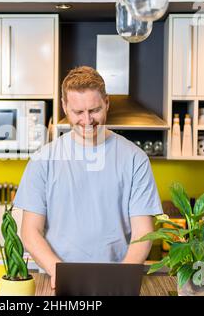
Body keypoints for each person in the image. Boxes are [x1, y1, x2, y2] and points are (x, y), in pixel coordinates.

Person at [13, 66, 163, 289]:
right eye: (78, 112)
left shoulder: (135, 159)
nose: (87, 120)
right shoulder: (42, 160)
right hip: (57, 279)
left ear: (107, 103)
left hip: (116, 277)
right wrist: (58, 272)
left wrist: (122, 278)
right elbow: (30, 231)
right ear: (65, 106)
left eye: (94, 110)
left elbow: (143, 231)